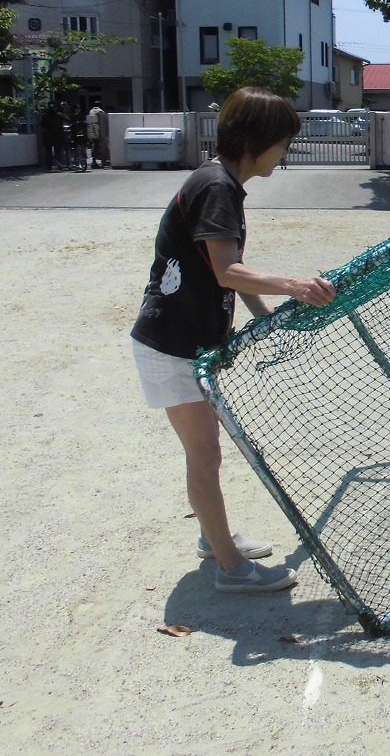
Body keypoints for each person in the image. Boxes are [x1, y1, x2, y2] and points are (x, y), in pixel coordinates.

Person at [130, 86, 337, 593]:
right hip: (170, 344)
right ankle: (230, 568)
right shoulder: (217, 186)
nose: (285, 154)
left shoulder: (220, 184)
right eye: (283, 143)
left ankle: (213, 535)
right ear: (256, 140)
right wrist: (293, 285)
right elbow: (227, 270)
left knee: (206, 452)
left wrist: (265, 315)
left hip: (188, 342)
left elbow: (227, 272)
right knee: (205, 454)